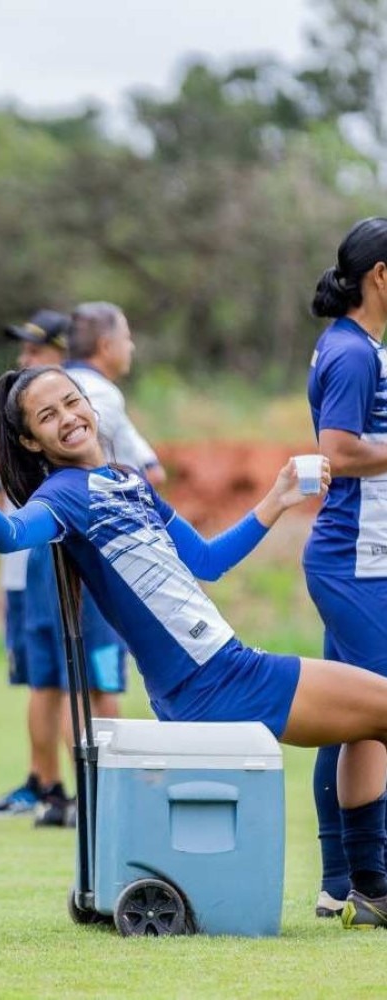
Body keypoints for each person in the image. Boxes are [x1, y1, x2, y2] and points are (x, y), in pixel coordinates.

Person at [0, 362, 387, 932]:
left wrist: (277, 497)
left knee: (371, 719)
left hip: (226, 667)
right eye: (47, 417)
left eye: (71, 402)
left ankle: (370, 887)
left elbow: (207, 562)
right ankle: (370, 888)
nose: (68, 419)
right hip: (212, 684)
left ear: (90, 404)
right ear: (31, 441)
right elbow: (11, 535)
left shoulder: (129, 479)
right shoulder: (61, 496)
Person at [302, 217, 387, 920]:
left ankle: (341, 884)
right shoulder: (355, 353)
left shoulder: (356, 347)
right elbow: (339, 450)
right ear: (381, 276)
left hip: (360, 558)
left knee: (345, 716)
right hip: (351, 562)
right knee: (370, 712)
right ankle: (371, 879)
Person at [0, 310, 75, 826]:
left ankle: (81, 789)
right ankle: (44, 785)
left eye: (36, 350)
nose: (25, 359)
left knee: (74, 683)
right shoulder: (21, 413)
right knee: (42, 682)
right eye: (23, 350)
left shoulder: (70, 409)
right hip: (22, 570)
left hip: (58, 568)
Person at [64, 302, 166, 720]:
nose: (132, 346)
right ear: (106, 345)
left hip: (55, 545)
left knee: (73, 678)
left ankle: (79, 784)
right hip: (98, 547)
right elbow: (139, 477)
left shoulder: (60, 385)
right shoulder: (99, 394)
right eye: (126, 337)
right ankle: (106, 786)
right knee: (101, 678)